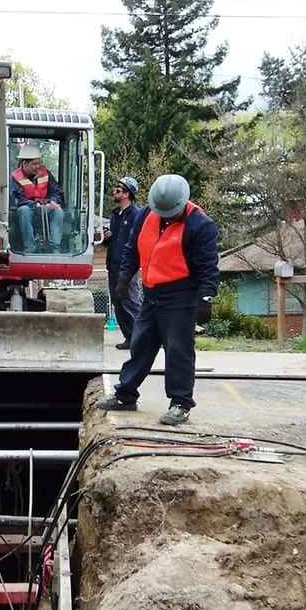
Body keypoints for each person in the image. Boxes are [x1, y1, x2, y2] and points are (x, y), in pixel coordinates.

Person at [95, 174, 219, 426]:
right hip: (152, 293)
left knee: (178, 351)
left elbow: (208, 267)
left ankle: (180, 403)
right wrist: (124, 278)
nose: (165, 217)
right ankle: (125, 394)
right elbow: (132, 249)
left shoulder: (200, 225)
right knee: (140, 345)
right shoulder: (145, 215)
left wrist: (206, 298)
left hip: (180, 296)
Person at [104, 176, 142, 349]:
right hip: (113, 265)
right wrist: (108, 238)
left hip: (127, 267)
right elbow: (115, 241)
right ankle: (130, 338)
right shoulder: (115, 216)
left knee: (130, 302)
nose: (115, 192)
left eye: (118, 190)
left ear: (127, 194)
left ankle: (143, 338)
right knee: (118, 303)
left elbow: (136, 242)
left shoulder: (136, 216)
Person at [10, 144, 65, 252]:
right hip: (29, 209)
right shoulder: (15, 177)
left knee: (58, 211)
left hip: (47, 207)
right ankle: (30, 247)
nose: (37, 166)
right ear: (24, 163)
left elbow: (55, 191)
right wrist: (35, 205)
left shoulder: (45, 173)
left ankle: (55, 248)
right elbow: (18, 200)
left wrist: (53, 202)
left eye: (38, 163)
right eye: (34, 164)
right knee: (24, 210)